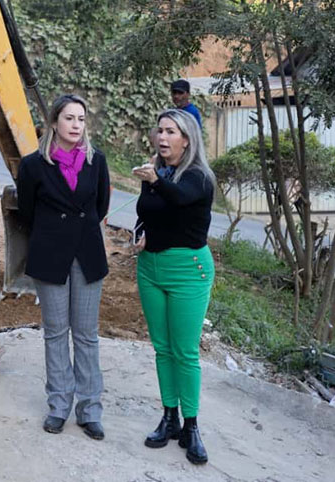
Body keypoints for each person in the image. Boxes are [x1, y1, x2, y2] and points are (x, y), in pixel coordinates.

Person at [16, 93, 111, 440]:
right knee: (56, 332)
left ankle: (90, 410)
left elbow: (101, 205)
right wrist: (54, 233)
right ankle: (58, 406)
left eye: (81, 119)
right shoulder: (32, 165)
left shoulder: (96, 161)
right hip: (50, 254)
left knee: (86, 334)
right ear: (54, 122)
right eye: (69, 118)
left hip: (87, 254)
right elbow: (27, 212)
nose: (76, 125)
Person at [132, 108, 216, 465]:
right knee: (163, 348)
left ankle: (191, 426)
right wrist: (140, 232)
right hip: (150, 268)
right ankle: (169, 417)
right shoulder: (157, 171)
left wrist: (154, 179)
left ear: (187, 139)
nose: (162, 137)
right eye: (160, 130)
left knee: (185, 351)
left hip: (187, 271)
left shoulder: (199, 177)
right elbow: (148, 212)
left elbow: (179, 198)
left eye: (171, 131)